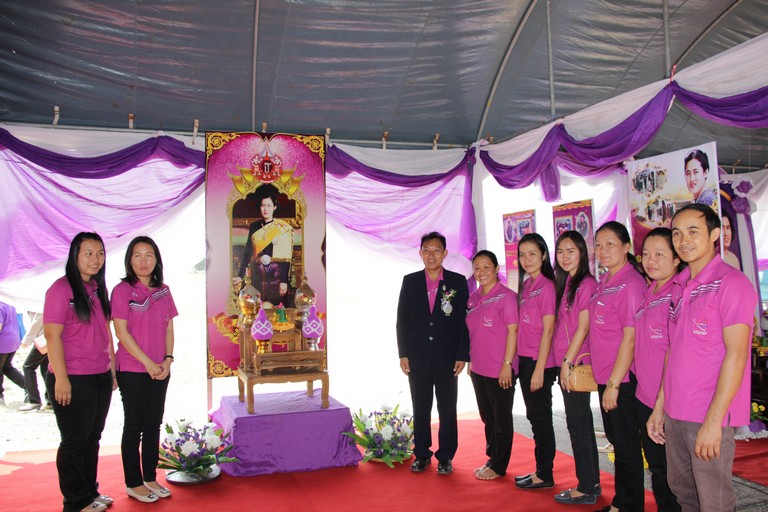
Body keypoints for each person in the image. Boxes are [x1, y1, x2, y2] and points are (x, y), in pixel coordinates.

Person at [647, 204, 758, 511]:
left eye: (693, 231)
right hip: (675, 411)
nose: (683, 240)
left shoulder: (732, 283)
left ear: (714, 235)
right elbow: (673, 350)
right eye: (677, 233)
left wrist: (714, 421)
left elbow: (737, 356)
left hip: (707, 413)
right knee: (684, 494)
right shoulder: (680, 286)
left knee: (713, 501)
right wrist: (660, 406)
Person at [44, 232, 115, 512]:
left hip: (99, 375)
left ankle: (89, 492)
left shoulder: (97, 288)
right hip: (72, 377)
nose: (95, 259)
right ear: (75, 255)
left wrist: (111, 369)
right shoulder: (60, 290)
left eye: (100, 253)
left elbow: (105, 331)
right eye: (88, 253)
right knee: (74, 440)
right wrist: (61, 379)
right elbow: (52, 336)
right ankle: (75, 501)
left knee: (93, 437)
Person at [396, 231, 469, 475]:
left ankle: (446, 456)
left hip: (447, 358)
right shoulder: (410, 281)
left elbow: (463, 322)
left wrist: (462, 355)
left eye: (436, 250)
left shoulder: (457, 282)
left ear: (445, 253)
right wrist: (403, 353)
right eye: (426, 250)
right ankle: (422, 454)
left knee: (447, 409)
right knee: (421, 407)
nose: (431, 255)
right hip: (417, 357)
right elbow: (402, 320)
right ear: (420, 253)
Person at [111, 236, 177, 502]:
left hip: (161, 368)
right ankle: (133, 482)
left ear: (156, 259)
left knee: (154, 424)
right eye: (137, 255)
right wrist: (148, 363)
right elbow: (121, 333)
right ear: (129, 260)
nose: (143, 261)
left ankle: (150, 477)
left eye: (149, 255)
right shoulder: (122, 290)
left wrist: (168, 360)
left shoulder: (164, 290)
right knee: (134, 424)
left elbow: (169, 328)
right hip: (132, 368)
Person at [589, 221, 646, 512]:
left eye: (610, 244)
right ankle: (622, 501)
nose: (603, 250)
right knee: (617, 441)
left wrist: (613, 384)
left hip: (621, 379)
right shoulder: (607, 280)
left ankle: (629, 505)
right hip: (607, 376)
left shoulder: (631, 284)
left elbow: (630, 337)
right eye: (598, 245)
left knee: (625, 444)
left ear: (626, 247)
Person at [634, 228, 683, 511]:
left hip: (667, 400)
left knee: (674, 473)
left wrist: (661, 405)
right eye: (646, 254)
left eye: (659, 254)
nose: (650, 260)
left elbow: (674, 353)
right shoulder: (649, 290)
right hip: (644, 395)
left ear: (677, 259)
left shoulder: (678, 294)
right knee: (657, 468)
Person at [551, 231, 601, 506]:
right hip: (568, 361)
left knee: (578, 425)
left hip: (575, 363)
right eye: (560, 251)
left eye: (571, 251)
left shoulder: (586, 284)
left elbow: (583, 327)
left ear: (582, 252)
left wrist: (567, 363)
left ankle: (586, 487)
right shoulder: (568, 283)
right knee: (580, 422)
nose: (565, 256)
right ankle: (591, 482)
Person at [465, 250, 518, 481]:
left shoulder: (506, 296)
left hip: (500, 368)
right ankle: (492, 458)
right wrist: (471, 361)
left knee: (501, 418)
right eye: (477, 268)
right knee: (488, 416)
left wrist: (507, 364)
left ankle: (499, 465)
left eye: (487, 267)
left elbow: (513, 331)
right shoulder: (473, 298)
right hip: (478, 368)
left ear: (497, 269)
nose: (482, 272)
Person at [514, 233, 558, 490]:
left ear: (543, 255)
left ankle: (545, 474)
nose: (527, 259)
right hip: (526, 360)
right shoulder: (527, 285)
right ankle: (541, 468)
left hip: (539, 361)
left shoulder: (547, 286)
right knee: (534, 416)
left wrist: (540, 369)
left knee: (541, 418)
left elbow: (549, 330)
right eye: (522, 255)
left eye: (532, 254)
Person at [236, 188, 294, 305]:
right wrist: (240, 275)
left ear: (274, 207)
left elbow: (285, 257)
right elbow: (248, 251)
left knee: (276, 307)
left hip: (275, 274)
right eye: (263, 205)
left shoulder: (282, 227)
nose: (265, 209)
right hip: (257, 273)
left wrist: (284, 281)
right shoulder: (254, 226)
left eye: (269, 205)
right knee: (257, 305)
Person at [20, 311, 51, 411]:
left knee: (28, 366)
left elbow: (38, 321)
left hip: (43, 339)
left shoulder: (36, 303)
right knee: (45, 369)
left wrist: (27, 339)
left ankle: (34, 401)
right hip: (46, 337)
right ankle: (50, 401)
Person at [0, 300, 26, 406]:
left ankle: (0, 396)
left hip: (3, 341)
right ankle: (29, 387)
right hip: (14, 339)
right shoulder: (9, 302)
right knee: (7, 367)